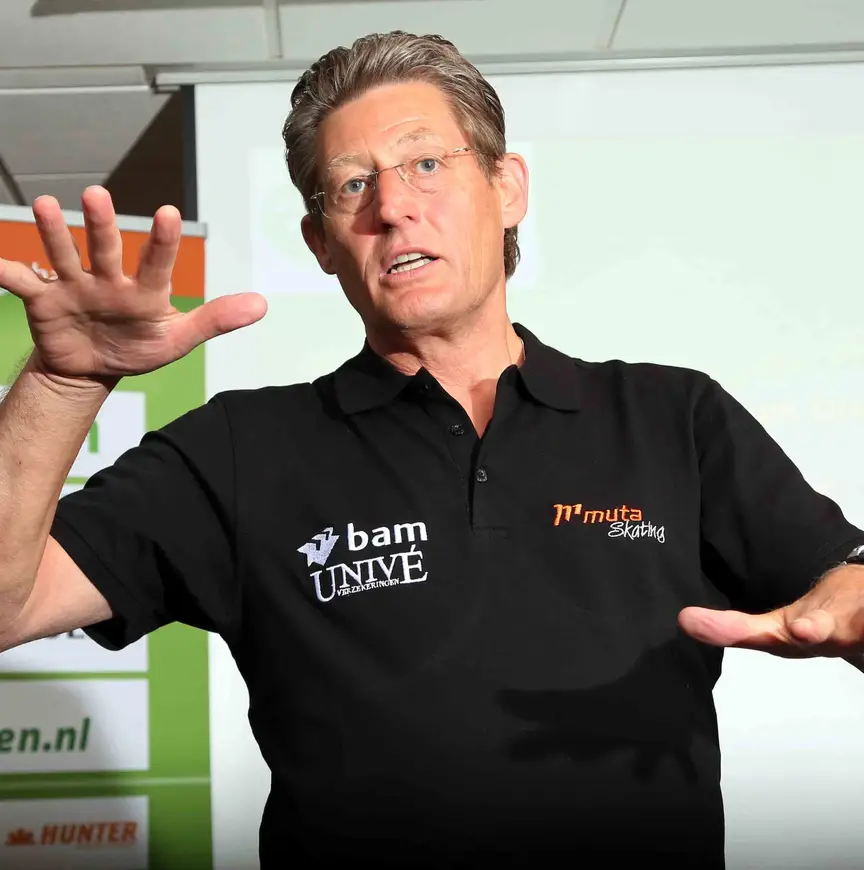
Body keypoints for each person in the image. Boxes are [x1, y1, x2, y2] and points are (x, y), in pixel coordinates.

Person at [1, 30, 863, 869]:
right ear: (321, 243)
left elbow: (842, 578)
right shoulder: (237, 448)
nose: (392, 206)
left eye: (425, 163)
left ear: (506, 186)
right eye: (352, 185)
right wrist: (65, 383)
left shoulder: (673, 416)